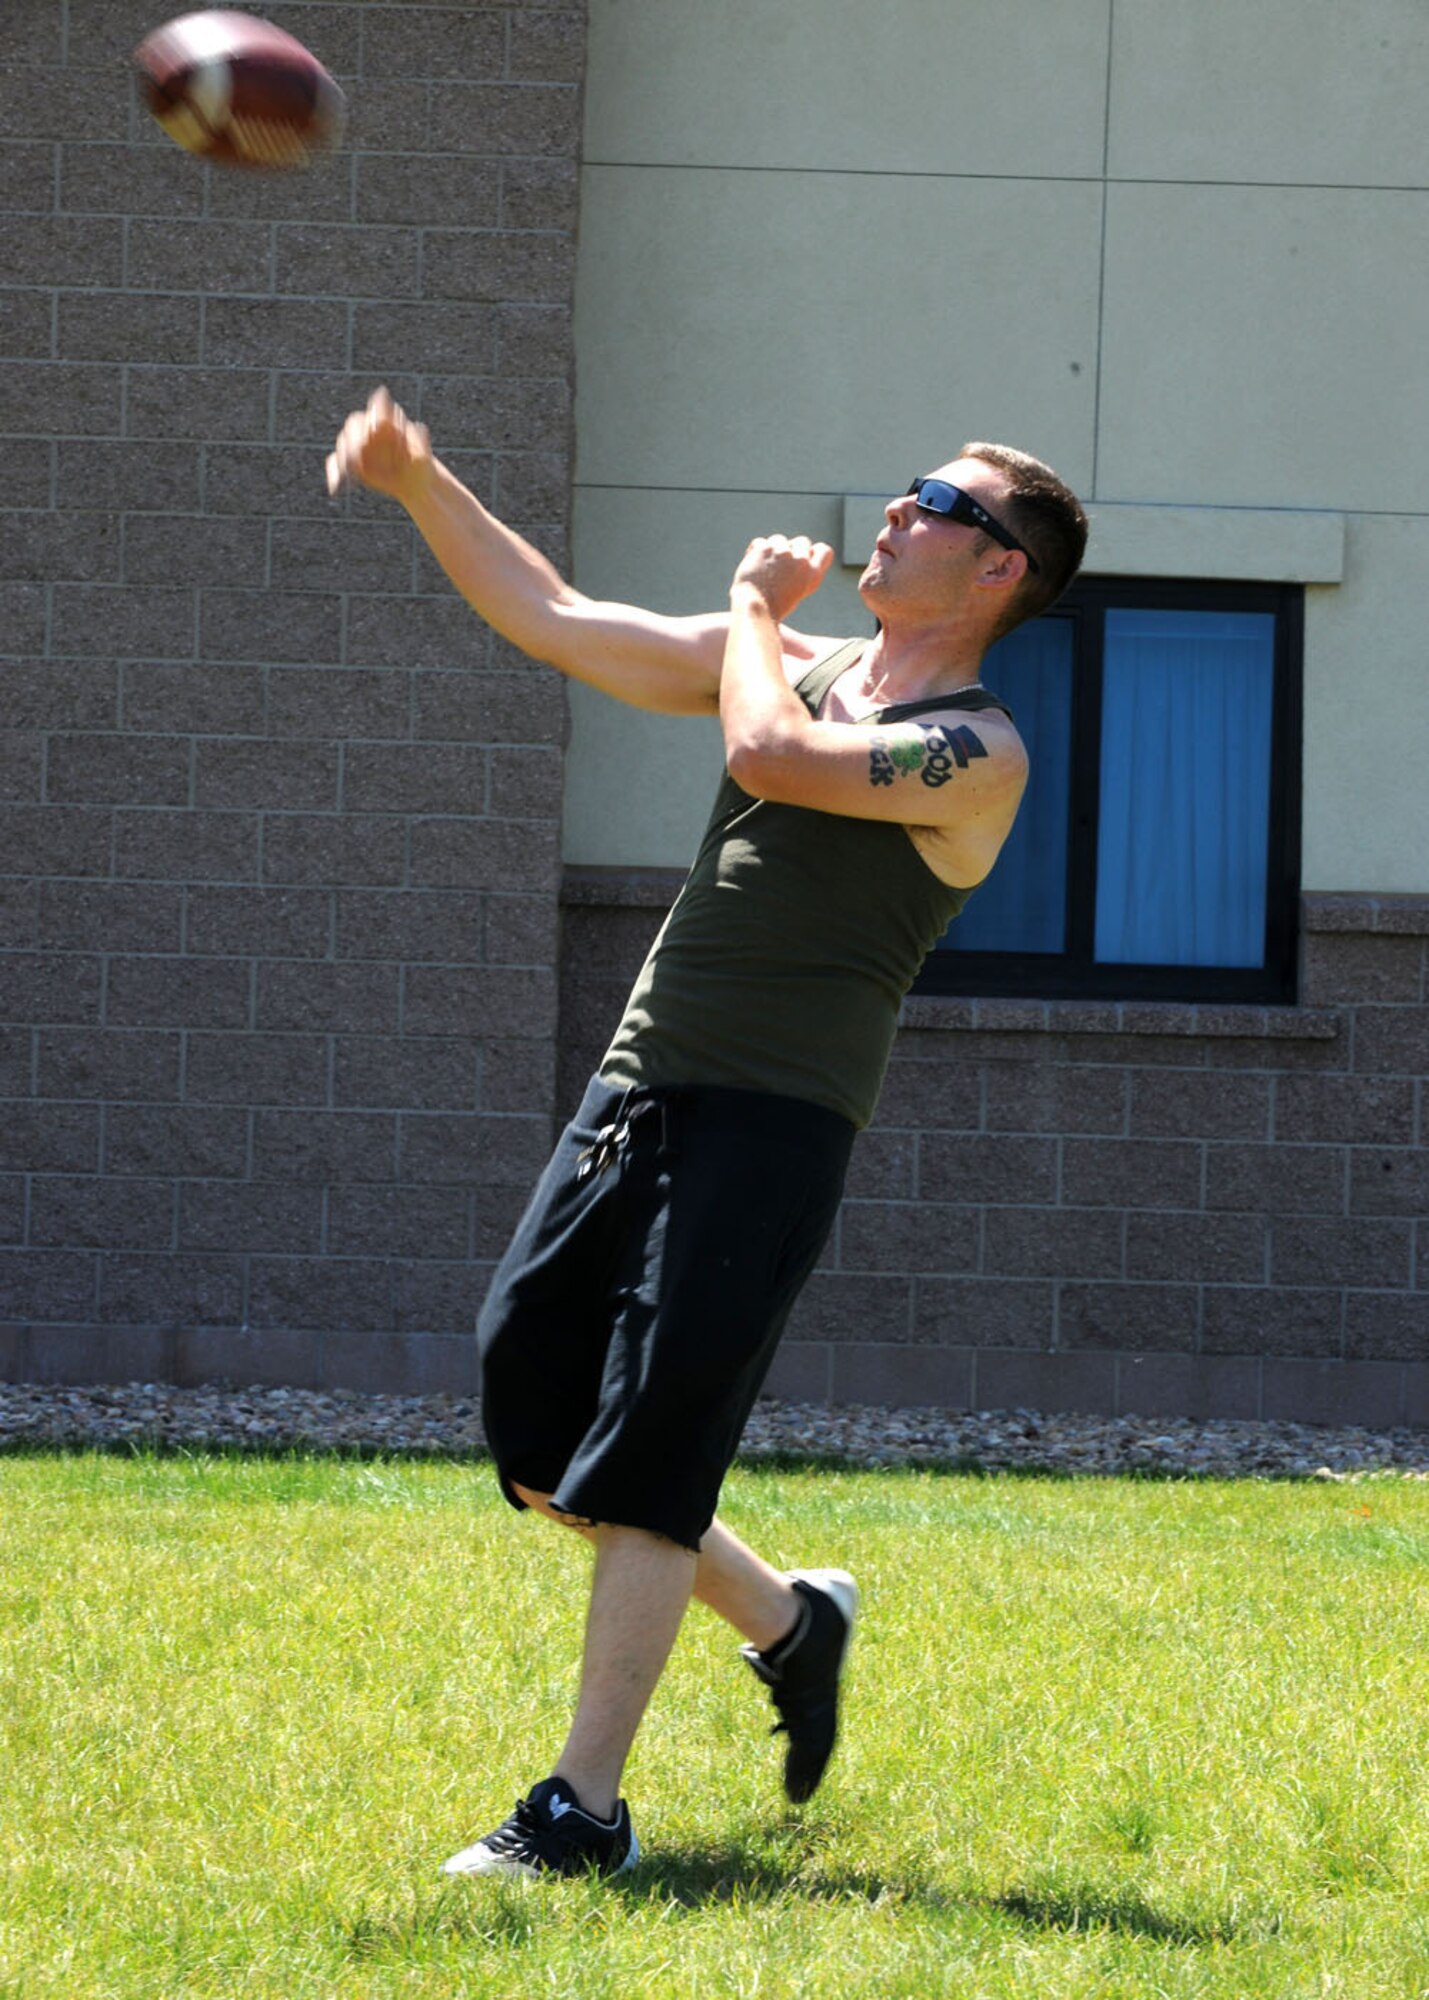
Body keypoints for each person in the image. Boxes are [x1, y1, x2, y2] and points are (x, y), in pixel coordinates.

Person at [327, 391, 1088, 1878]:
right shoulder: (799, 665)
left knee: (660, 1439)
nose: (898, 508)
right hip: (638, 1085)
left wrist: (750, 611)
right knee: (537, 1424)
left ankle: (579, 1814)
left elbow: (770, 761)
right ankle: (792, 1620)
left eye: (938, 500)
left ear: (999, 570)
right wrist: (422, 483)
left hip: (774, 1117)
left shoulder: (970, 748)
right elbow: (556, 617)